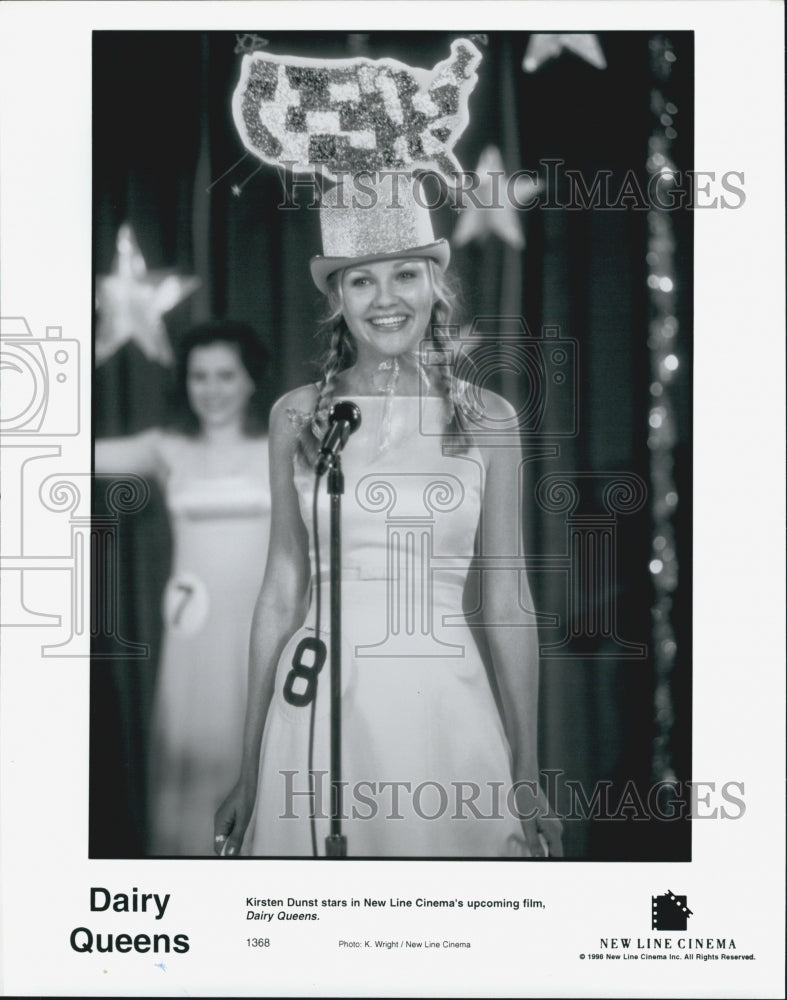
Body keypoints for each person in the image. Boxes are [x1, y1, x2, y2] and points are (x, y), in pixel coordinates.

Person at [215, 176, 563, 858]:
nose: (385, 299)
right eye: (360, 281)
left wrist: (527, 770)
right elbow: (281, 589)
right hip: (314, 702)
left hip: (440, 701)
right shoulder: (295, 415)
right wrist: (249, 764)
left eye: (404, 274)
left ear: (436, 283)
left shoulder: (489, 419)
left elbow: (507, 602)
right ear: (336, 299)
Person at [95, 320, 272, 855]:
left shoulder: (285, 445)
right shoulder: (165, 448)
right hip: (193, 636)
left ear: (250, 382)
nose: (211, 389)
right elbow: (64, 447)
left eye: (225, 375)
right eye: (199, 377)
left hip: (260, 629)